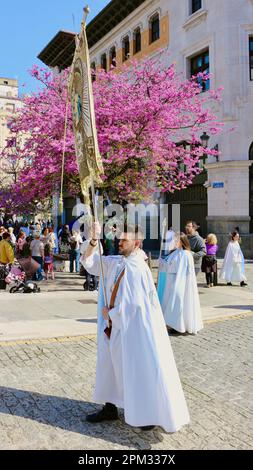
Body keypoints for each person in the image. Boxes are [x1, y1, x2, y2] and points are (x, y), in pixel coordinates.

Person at [82, 223, 190, 432]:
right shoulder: (119, 262)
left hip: (132, 330)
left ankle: (148, 412)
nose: (119, 243)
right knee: (110, 366)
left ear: (137, 243)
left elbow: (135, 305)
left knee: (137, 369)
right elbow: (91, 263)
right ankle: (110, 406)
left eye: (124, 240)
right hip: (116, 329)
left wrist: (110, 315)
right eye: (119, 239)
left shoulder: (136, 268)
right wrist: (94, 240)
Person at [158, 233, 203, 335]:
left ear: (182, 241)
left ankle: (179, 326)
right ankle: (173, 324)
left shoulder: (186, 254)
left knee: (178, 304)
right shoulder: (174, 253)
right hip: (171, 282)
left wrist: (178, 284)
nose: (173, 242)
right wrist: (162, 262)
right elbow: (169, 265)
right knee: (171, 304)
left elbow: (182, 272)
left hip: (180, 283)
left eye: (175, 240)